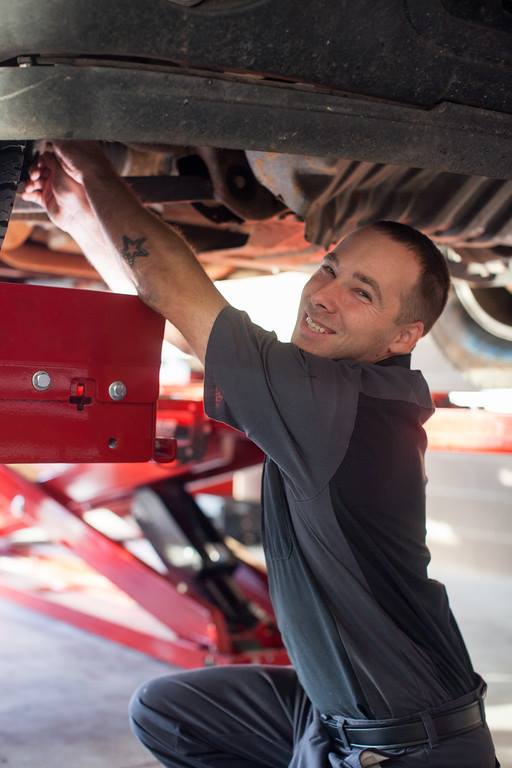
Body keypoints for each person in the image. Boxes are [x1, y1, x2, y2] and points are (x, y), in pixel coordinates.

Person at [23, 143, 499, 768]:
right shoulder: (352, 389)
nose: (324, 296)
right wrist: (79, 214)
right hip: (335, 715)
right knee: (170, 715)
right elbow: (181, 319)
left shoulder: (338, 406)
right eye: (330, 269)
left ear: (404, 336)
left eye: (362, 293)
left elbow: (175, 290)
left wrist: (96, 170)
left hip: (410, 746)